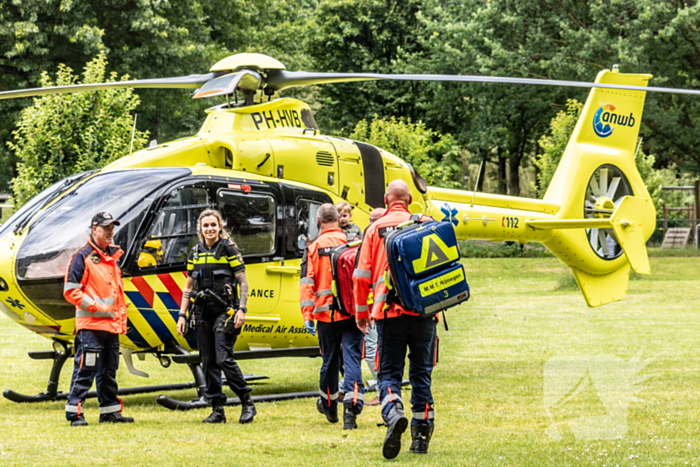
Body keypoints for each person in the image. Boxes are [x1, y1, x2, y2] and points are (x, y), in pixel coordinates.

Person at [353, 181, 437, 459]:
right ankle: (421, 437)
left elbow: (362, 276)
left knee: (389, 372)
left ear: (386, 199)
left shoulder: (374, 229)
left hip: (389, 315)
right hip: (425, 313)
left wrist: (361, 313)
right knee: (421, 374)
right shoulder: (425, 223)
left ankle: (393, 412)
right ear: (410, 199)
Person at [176, 209, 256, 424]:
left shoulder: (229, 249)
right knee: (208, 361)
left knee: (223, 358)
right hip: (201, 311)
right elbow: (188, 286)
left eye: (213, 225)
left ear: (220, 226)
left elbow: (243, 282)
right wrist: (181, 315)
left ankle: (247, 403)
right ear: (200, 229)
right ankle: (217, 409)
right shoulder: (195, 252)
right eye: (205, 225)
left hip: (225, 311)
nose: (210, 229)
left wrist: (242, 309)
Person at [63, 212, 133, 426]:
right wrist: (96, 307)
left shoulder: (112, 257)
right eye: (106, 228)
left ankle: (109, 412)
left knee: (109, 370)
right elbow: (70, 291)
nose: (111, 232)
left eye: (112, 228)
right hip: (91, 326)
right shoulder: (82, 256)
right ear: (94, 229)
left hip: (111, 326)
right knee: (86, 370)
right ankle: (74, 414)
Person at [300, 203, 365, 429]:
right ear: (338, 219)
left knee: (329, 360)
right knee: (352, 358)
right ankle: (352, 407)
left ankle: (329, 407)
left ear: (318, 221)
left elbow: (307, 284)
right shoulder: (352, 242)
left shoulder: (313, 248)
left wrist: (307, 314)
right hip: (351, 312)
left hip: (325, 315)